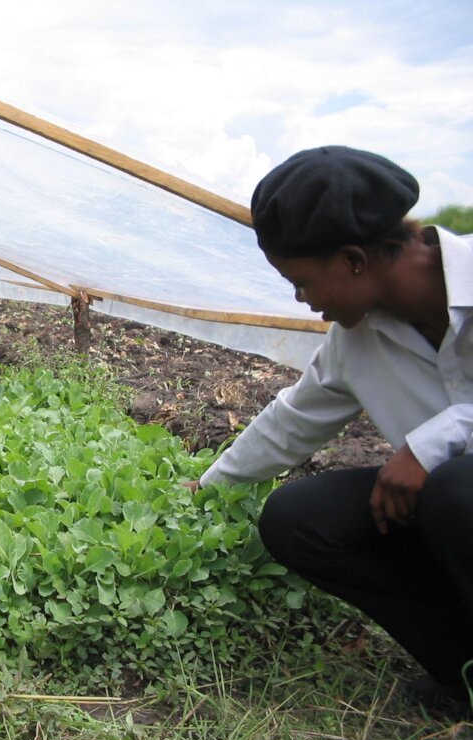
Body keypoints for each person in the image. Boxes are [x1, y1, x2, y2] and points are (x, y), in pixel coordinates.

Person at [196, 146, 473, 710]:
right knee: (298, 519)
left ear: (352, 260)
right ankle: (464, 670)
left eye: (301, 280)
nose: (302, 300)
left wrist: (427, 447)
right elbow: (293, 420)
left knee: (455, 488)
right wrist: (208, 487)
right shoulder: (357, 337)